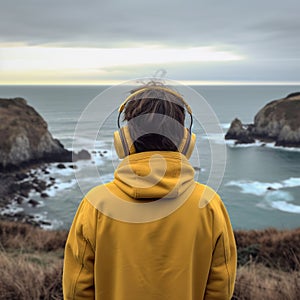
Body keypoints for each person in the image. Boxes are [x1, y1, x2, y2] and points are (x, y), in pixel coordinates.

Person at [63, 83, 237, 300]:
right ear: (185, 142)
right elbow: (221, 287)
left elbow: (76, 289)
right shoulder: (209, 205)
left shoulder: (96, 205)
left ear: (124, 141)